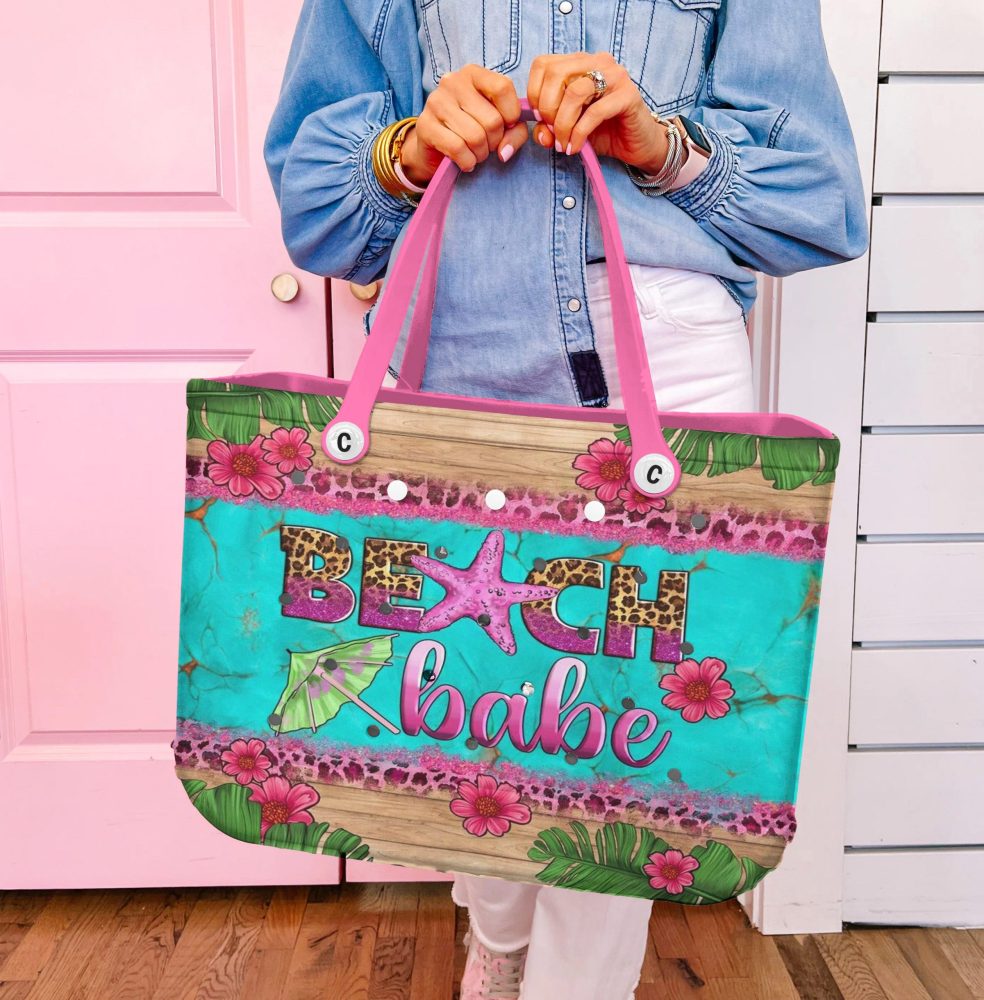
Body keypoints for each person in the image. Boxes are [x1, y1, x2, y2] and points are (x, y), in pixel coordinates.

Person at [264, 2, 868, 997]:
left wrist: (665, 145)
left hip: (661, 363)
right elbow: (316, 210)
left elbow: (819, 198)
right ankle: (497, 937)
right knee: (462, 701)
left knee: (621, 739)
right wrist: (407, 151)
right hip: (452, 344)